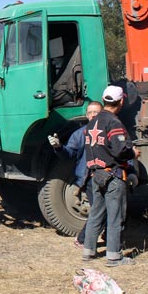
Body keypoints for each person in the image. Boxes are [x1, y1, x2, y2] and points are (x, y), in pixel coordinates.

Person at [82, 85, 138, 266]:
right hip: (113, 175)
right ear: (121, 101)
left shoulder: (92, 122)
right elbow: (121, 150)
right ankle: (114, 256)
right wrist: (133, 153)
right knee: (115, 216)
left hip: (96, 175)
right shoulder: (114, 123)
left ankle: (88, 250)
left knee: (96, 213)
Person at [48, 101, 102, 248]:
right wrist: (59, 147)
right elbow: (69, 154)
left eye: (96, 112)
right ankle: (83, 240)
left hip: (108, 177)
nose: (92, 115)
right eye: (90, 113)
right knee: (98, 210)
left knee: (108, 210)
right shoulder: (80, 134)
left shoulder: (111, 131)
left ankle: (109, 240)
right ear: (86, 115)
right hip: (90, 179)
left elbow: (121, 150)